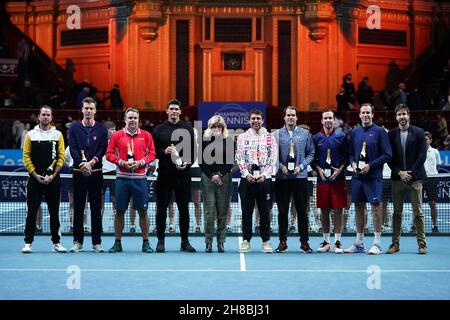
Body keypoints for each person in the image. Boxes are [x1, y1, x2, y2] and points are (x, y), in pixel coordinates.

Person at [106, 107, 156, 253]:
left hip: (140, 179)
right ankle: (117, 242)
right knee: (119, 211)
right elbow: (109, 154)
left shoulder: (146, 135)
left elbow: (152, 154)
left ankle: (146, 242)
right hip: (122, 178)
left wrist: (141, 162)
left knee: (143, 211)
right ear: (125, 119)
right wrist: (121, 162)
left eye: (135, 118)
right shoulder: (117, 135)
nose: (133, 120)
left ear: (138, 120)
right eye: (130, 118)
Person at [344, 103, 392, 254]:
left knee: (376, 207)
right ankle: (359, 243)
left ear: (372, 115)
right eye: (363, 112)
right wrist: (352, 163)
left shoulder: (380, 132)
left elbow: (387, 154)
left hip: (373, 176)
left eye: (368, 113)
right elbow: (350, 153)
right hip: (357, 177)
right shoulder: (355, 132)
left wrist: (370, 166)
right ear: (359, 115)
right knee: (358, 206)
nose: (365, 115)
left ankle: (377, 243)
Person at [152, 99, 196, 253]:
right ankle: (160, 241)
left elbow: (193, 152)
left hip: (183, 176)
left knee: (184, 209)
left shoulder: (188, 128)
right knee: (161, 209)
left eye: (177, 109)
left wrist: (186, 164)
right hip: (164, 175)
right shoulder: (158, 130)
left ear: (180, 111)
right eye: (171, 109)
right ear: (167, 111)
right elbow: (152, 152)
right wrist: (164, 152)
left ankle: (185, 242)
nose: (174, 111)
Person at [22, 105, 67, 253]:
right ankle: (28, 242)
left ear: (51, 118)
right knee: (32, 212)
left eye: (48, 115)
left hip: (53, 180)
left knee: (54, 212)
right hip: (35, 180)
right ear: (39, 117)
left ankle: (56, 242)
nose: (46, 117)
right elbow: (26, 157)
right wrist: (35, 175)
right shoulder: (30, 135)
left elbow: (61, 157)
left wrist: (53, 175)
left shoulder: (58, 135)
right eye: (43, 114)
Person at [386, 104, 428, 254]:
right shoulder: (391, 134)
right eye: (399, 115)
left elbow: (422, 155)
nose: (402, 117)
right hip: (398, 180)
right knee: (397, 213)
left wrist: (410, 173)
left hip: (415, 179)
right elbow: (389, 157)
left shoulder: (419, 132)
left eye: (404, 114)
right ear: (396, 117)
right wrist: (400, 173)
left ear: (408, 115)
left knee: (418, 213)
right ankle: (395, 244)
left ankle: (422, 244)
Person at [68, 97, 108, 253]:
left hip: (96, 173)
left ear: (95, 110)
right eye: (86, 108)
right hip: (79, 173)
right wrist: (82, 164)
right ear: (82, 110)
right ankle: (78, 241)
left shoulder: (102, 128)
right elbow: (73, 148)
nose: (89, 111)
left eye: (91, 108)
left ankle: (96, 242)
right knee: (78, 208)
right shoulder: (74, 128)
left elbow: (102, 148)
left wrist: (91, 163)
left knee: (96, 209)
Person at [273, 106, 314, 253]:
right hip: (282, 179)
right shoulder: (276, 135)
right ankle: (282, 242)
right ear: (284, 117)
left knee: (302, 212)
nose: (290, 117)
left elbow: (311, 153)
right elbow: (272, 155)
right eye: (288, 115)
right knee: (282, 211)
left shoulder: (305, 134)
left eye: (293, 115)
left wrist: (301, 167)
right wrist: (281, 167)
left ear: (297, 118)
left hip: (300, 178)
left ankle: (304, 243)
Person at [236, 109, 278, 253]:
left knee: (265, 212)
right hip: (247, 180)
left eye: (258, 118)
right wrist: (246, 173)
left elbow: (273, 158)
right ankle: (246, 241)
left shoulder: (270, 138)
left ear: (262, 120)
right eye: (253, 118)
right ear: (249, 121)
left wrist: (265, 174)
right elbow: (239, 157)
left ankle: (266, 241)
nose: (256, 121)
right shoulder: (242, 137)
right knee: (246, 212)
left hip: (264, 180)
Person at [313, 109, 348, 253]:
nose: (328, 120)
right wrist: (318, 170)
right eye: (325, 118)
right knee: (324, 210)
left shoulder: (341, 136)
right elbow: (312, 158)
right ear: (322, 121)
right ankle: (326, 241)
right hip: (322, 180)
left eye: (330, 118)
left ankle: (337, 241)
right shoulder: (316, 138)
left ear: (334, 121)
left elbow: (347, 157)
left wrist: (339, 170)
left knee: (338, 210)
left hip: (338, 179)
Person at [199, 115, 234, 252]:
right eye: (214, 126)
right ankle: (208, 242)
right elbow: (201, 162)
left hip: (224, 178)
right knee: (209, 213)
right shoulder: (204, 141)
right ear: (210, 128)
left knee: (222, 212)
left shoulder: (229, 141)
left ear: (223, 128)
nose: (217, 128)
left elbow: (229, 162)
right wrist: (212, 176)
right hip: (207, 179)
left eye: (219, 126)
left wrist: (219, 175)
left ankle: (221, 241)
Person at [423, 131, 441, 233]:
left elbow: (438, 165)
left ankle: (435, 225)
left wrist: (432, 174)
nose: (425, 141)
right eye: (423, 139)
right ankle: (414, 226)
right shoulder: (418, 151)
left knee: (432, 203)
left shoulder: (435, 151)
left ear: (430, 140)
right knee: (417, 204)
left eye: (426, 139)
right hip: (421, 179)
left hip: (432, 179)